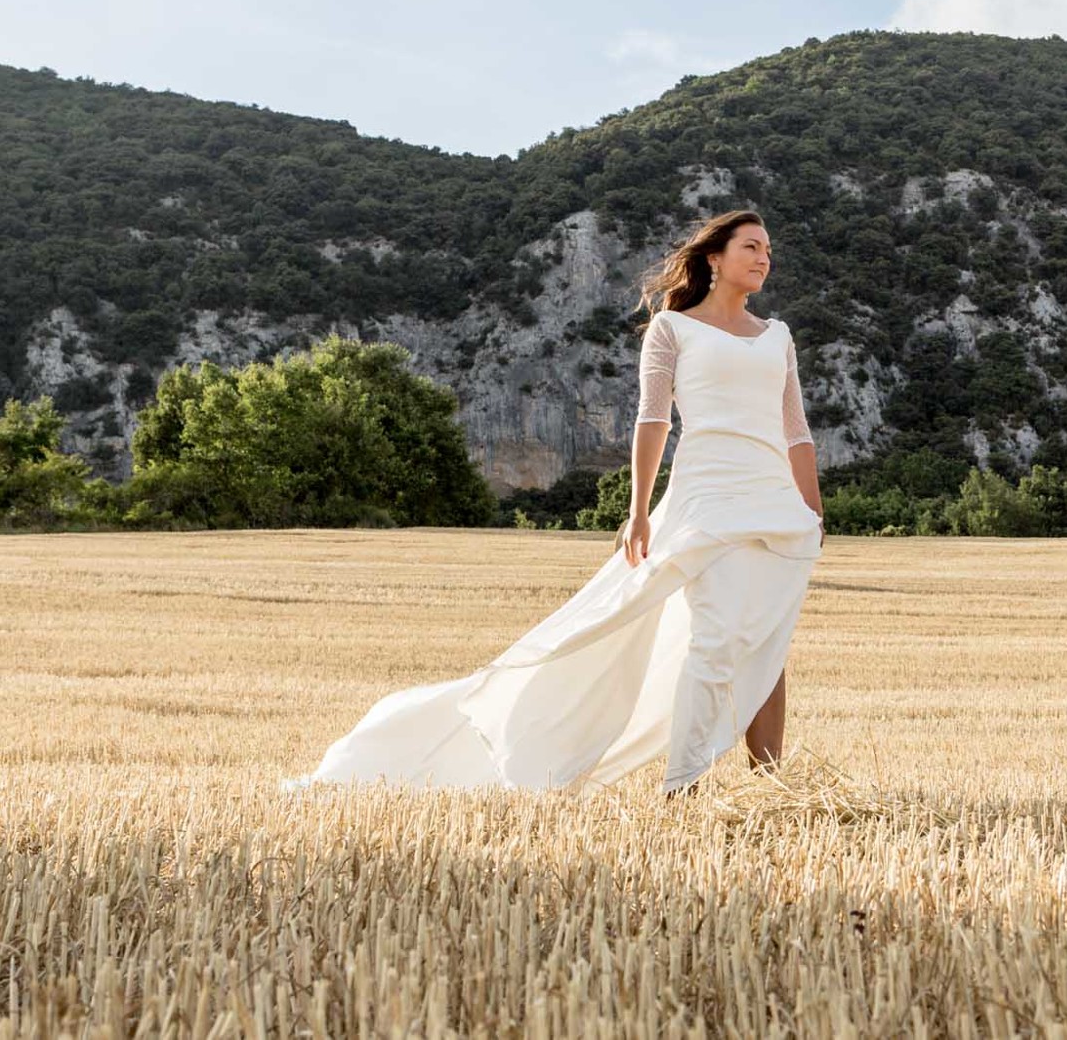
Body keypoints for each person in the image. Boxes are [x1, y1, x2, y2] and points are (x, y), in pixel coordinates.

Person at [293, 210, 824, 792]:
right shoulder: (673, 330)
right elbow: (652, 421)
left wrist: (813, 512)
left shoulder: (778, 336)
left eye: (768, 248)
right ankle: (684, 787)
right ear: (715, 258)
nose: (763, 257)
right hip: (708, 496)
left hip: (777, 503)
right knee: (717, 636)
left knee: (768, 640)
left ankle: (774, 789)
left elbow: (795, 430)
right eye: (750, 246)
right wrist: (638, 510)